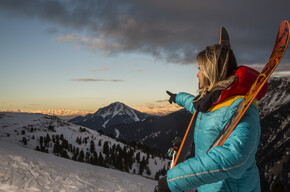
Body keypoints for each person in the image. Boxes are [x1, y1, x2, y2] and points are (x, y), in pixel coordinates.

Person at [154, 40, 268, 191]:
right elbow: (194, 105)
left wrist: (174, 181)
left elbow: (234, 158)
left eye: (200, 69)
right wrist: (177, 97)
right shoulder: (213, 100)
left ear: (210, 71)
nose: (197, 74)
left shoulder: (241, 107)